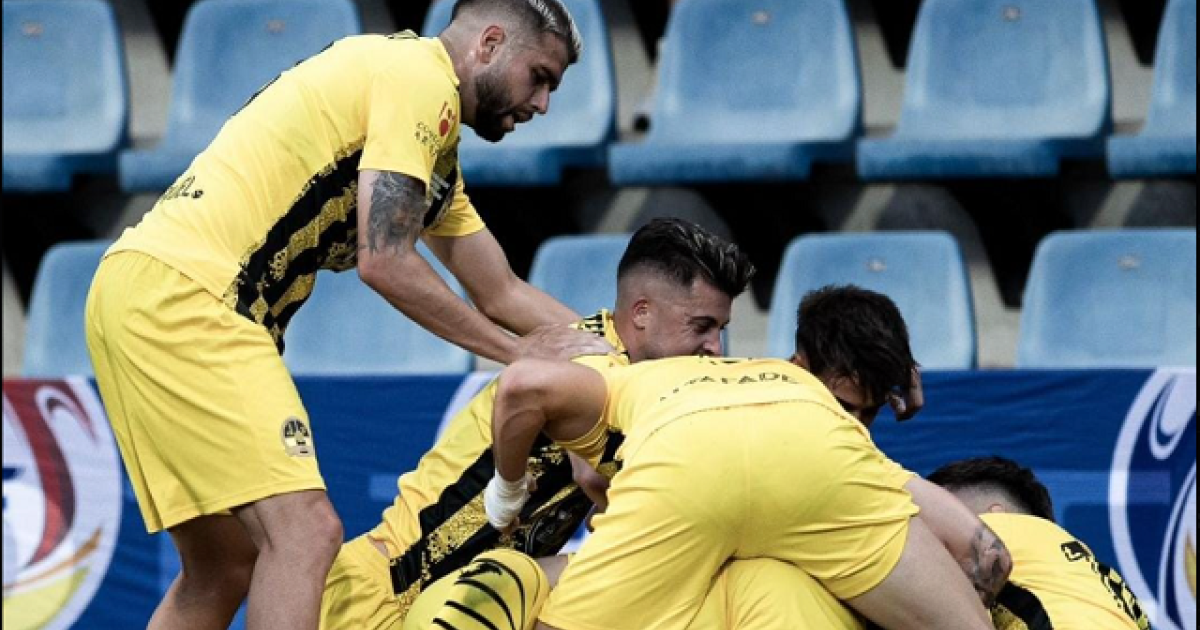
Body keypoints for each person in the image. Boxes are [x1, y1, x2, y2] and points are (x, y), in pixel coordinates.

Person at [84, 1, 609, 629]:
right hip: (192, 298)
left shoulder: (424, 138)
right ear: (490, 43)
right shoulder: (419, 81)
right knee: (305, 532)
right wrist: (520, 354)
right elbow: (385, 261)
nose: (542, 104)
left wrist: (618, 361)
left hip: (135, 290)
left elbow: (501, 291)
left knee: (221, 567)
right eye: (540, 77)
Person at [410, 285, 938, 630]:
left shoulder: (841, 456)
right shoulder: (718, 404)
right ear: (796, 366)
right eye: (844, 407)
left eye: (868, 415)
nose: (855, 427)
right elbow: (589, 471)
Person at [318, 218, 757, 629]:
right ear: (642, 313)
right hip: (382, 598)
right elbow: (594, 478)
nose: (715, 347)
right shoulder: (594, 368)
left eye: (720, 328)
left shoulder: (609, 356)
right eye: (701, 326)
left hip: (460, 604)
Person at [480, 350, 1007, 629]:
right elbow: (988, 556)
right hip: (817, 461)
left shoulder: (622, 377)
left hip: (684, 467)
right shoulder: (799, 388)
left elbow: (522, 385)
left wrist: (506, 492)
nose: (713, 341)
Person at [930, 457, 1152, 630]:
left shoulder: (996, 530)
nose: (929, 533)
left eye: (940, 511)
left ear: (997, 513)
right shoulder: (1100, 585)